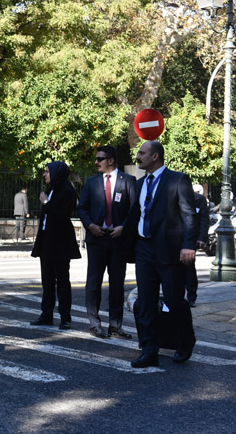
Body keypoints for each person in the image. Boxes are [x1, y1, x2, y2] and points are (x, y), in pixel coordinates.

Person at [124, 141, 196, 368]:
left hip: (170, 250)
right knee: (146, 302)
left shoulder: (178, 180)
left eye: (142, 153)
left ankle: (186, 341)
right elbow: (135, 215)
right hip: (144, 249)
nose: (138, 157)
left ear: (155, 156)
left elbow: (189, 216)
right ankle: (149, 350)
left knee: (174, 302)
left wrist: (188, 245)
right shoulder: (139, 183)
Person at [77, 145, 136, 339]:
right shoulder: (91, 182)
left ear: (110, 160)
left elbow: (134, 210)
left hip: (117, 240)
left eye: (99, 159)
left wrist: (123, 228)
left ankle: (115, 325)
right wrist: (90, 225)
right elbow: (82, 208)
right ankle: (94, 324)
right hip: (97, 239)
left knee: (117, 284)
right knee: (93, 283)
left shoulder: (128, 180)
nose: (96, 162)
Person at [30, 161, 81, 329]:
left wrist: (46, 203)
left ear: (56, 173)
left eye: (47, 172)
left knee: (63, 281)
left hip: (60, 243)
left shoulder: (68, 191)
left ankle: (65, 317)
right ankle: (46, 315)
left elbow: (62, 216)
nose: (44, 174)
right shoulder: (51, 189)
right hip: (46, 242)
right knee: (47, 281)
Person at [186, 184, 210, 307]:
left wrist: (202, 238)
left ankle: (191, 296)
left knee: (189, 267)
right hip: (175, 237)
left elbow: (204, 220)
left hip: (191, 238)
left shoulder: (199, 199)